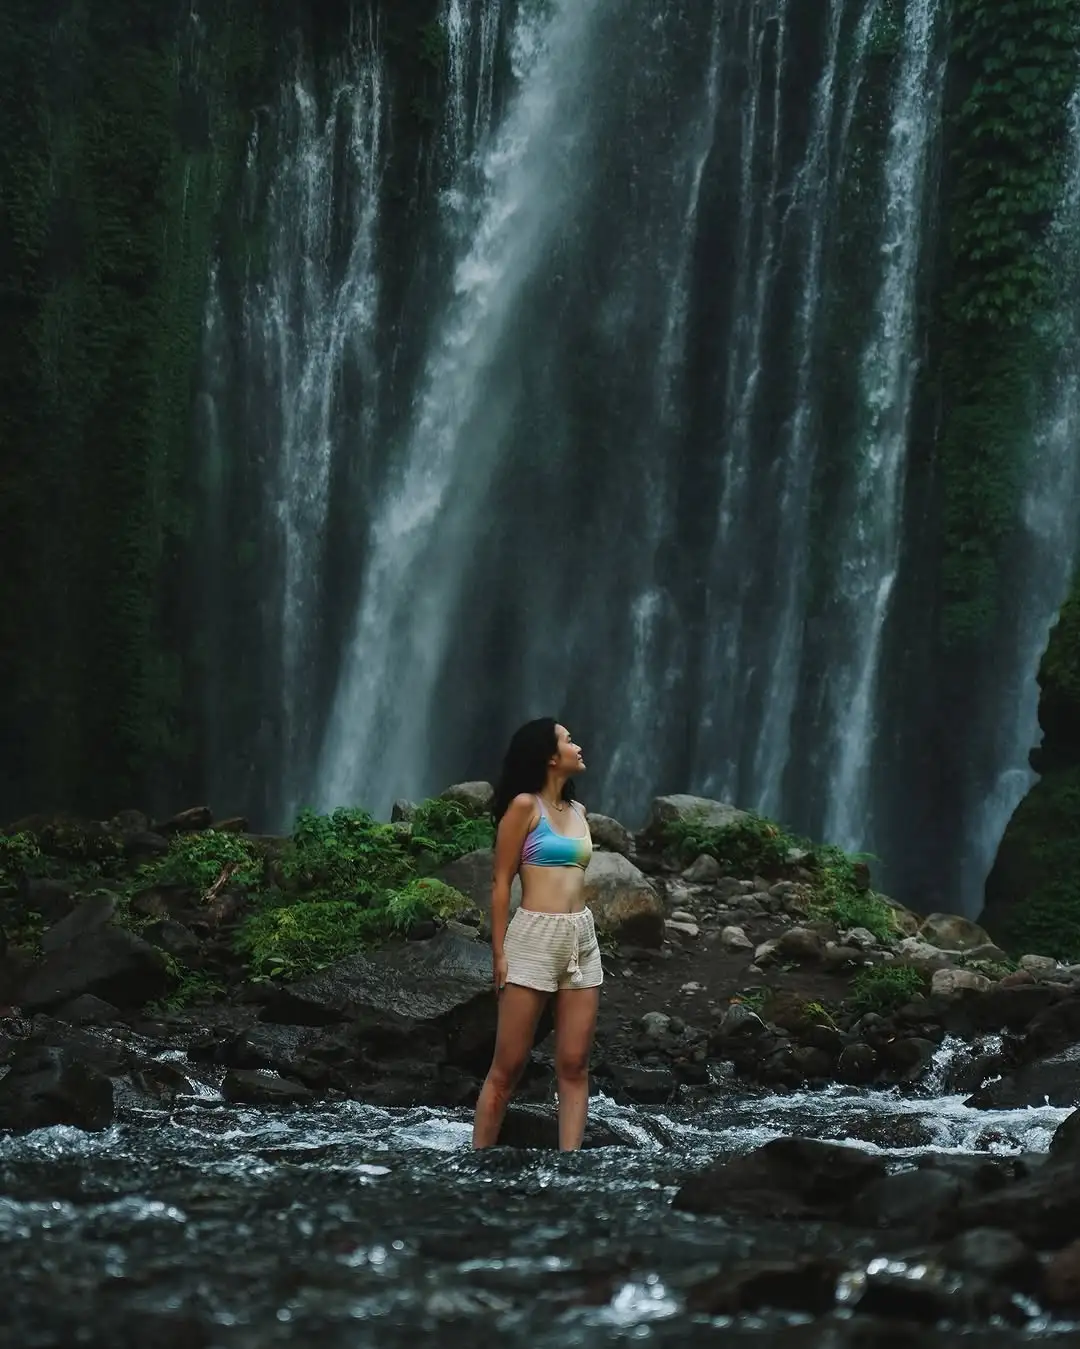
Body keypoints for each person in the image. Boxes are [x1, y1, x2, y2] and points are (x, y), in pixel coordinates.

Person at [472, 718, 602, 1150]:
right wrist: (499, 953)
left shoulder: (579, 812)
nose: (578, 746)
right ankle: (477, 1161)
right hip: (533, 937)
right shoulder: (525, 808)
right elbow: (500, 882)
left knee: (575, 1064)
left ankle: (570, 1164)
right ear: (550, 756)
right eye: (569, 740)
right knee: (507, 1068)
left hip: (581, 937)